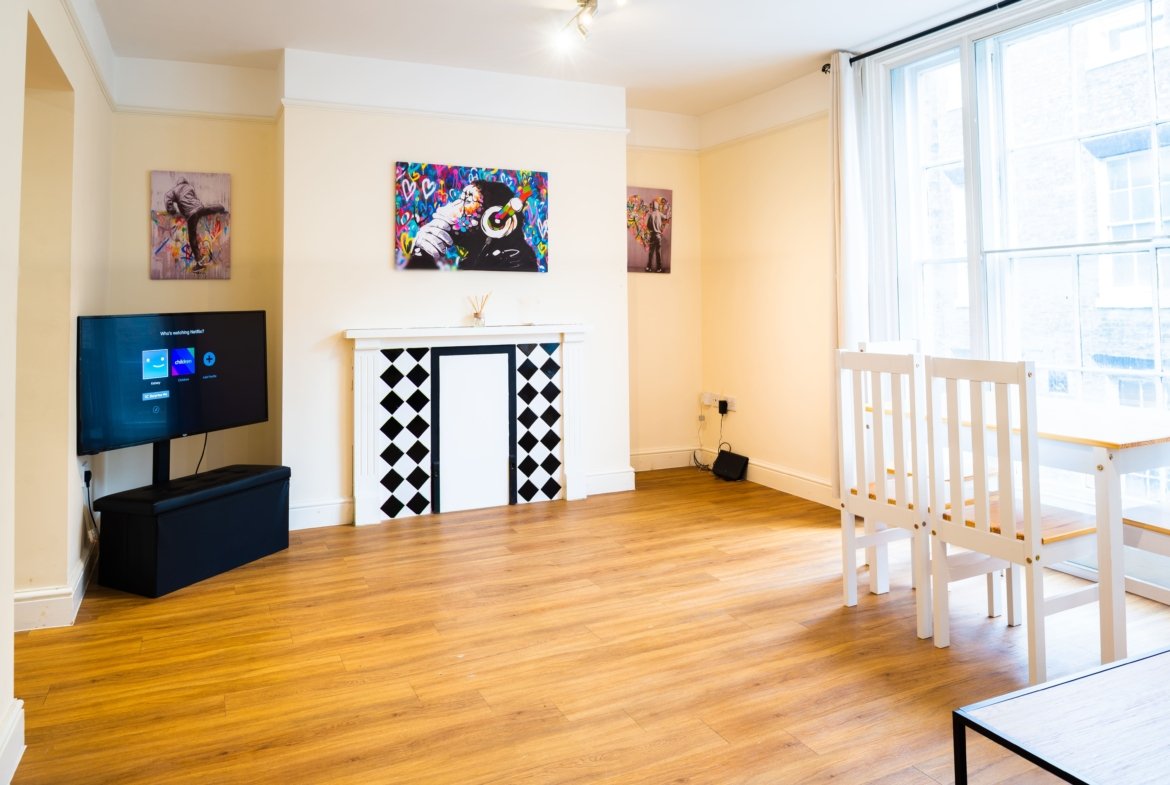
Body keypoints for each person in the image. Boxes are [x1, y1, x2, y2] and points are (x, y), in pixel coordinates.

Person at [406, 180, 539, 272]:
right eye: (460, 199)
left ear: (491, 216)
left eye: (467, 200)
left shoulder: (515, 258)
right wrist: (422, 252)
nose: (453, 207)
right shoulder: (476, 257)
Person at [164, 177, 228, 270]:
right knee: (207, 210)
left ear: (178, 184)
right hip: (199, 208)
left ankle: (199, 262)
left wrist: (172, 210)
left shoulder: (174, 190)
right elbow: (194, 198)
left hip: (191, 214)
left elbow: (167, 197)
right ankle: (220, 207)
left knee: (192, 239)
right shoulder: (190, 187)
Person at [645, 199, 665, 272]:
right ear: (657, 207)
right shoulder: (660, 214)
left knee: (651, 253)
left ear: (653, 207)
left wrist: (652, 228)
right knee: (658, 253)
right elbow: (666, 217)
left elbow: (648, 226)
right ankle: (659, 268)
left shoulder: (651, 215)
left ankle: (649, 267)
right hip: (658, 236)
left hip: (652, 235)